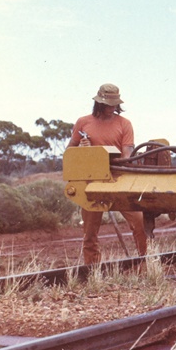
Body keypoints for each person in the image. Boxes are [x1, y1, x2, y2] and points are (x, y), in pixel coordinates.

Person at [67, 83, 148, 264]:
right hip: (92, 182)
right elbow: (70, 152)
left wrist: (103, 157)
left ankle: (143, 265)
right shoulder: (83, 122)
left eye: (114, 104)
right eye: (108, 104)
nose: (112, 108)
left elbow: (127, 155)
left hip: (119, 179)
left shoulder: (124, 124)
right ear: (99, 103)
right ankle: (92, 269)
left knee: (138, 223)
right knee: (89, 232)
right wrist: (82, 149)